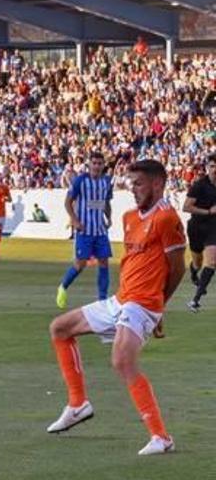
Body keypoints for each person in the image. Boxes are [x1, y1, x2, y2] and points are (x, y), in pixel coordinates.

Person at [45, 160, 184, 456]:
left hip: (143, 303)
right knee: (60, 328)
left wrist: (160, 308)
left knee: (121, 360)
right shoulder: (129, 216)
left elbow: (177, 269)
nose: (132, 189)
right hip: (121, 300)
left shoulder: (167, 218)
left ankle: (161, 437)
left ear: (158, 184)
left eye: (139, 183)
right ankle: (77, 403)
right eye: (131, 183)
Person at [57, 152, 113, 309]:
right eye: (94, 163)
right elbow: (68, 202)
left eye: (99, 163)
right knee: (80, 264)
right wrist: (75, 220)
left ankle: (102, 299)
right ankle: (63, 287)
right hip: (84, 230)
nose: (96, 166)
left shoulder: (107, 182)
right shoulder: (80, 181)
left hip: (100, 230)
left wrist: (109, 217)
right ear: (89, 165)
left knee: (104, 262)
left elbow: (106, 202)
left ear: (103, 165)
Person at [183, 153, 216, 312]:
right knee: (198, 262)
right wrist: (208, 211)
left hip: (213, 227)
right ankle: (194, 270)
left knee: (211, 262)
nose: (215, 169)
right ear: (207, 168)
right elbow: (186, 207)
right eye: (212, 166)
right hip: (196, 227)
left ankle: (195, 300)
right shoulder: (199, 185)